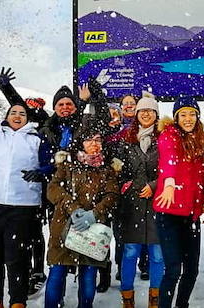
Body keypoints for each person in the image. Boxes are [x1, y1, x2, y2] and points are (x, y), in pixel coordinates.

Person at [0, 71, 54, 308]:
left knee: (17, 259)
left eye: (22, 113)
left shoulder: (37, 139)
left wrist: (43, 171)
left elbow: (53, 163)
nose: (18, 115)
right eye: (14, 112)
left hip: (22, 208)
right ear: (7, 116)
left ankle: (18, 301)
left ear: (28, 119)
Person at [45, 119, 120, 308]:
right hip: (63, 227)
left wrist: (94, 214)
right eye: (89, 140)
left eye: (97, 139)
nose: (94, 144)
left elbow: (112, 195)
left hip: (93, 232)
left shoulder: (107, 169)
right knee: (56, 275)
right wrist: (73, 209)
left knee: (88, 280)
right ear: (80, 143)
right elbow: (53, 189)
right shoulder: (67, 166)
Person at [153, 96, 204, 308]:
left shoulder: (201, 141)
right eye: (183, 114)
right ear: (176, 117)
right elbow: (168, 159)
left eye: (192, 114)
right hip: (168, 215)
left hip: (191, 215)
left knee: (192, 269)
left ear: (197, 117)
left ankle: (182, 305)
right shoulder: (168, 136)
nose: (188, 118)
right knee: (173, 269)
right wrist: (169, 184)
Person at [112, 94, 164, 307]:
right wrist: (130, 186)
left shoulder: (165, 139)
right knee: (130, 252)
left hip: (157, 203)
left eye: (150, 111)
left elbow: (170, 170)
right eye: (142, 110)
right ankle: (127, 297)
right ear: (137, 114)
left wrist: (153, 186)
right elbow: (120, 172)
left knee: (158, 254)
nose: (146, 114)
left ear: (156, 114)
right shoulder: (126, 140)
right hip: (131, 205)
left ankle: (155, 297)